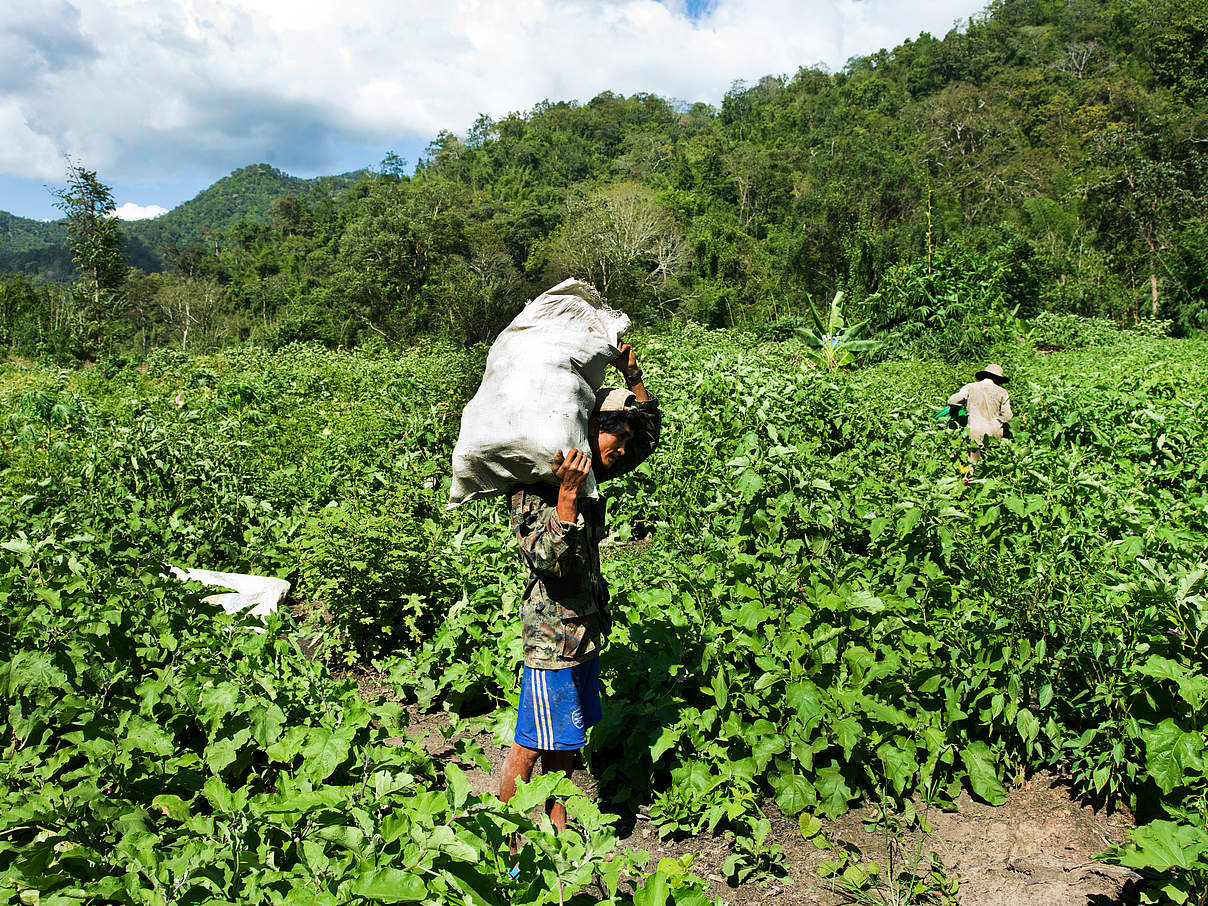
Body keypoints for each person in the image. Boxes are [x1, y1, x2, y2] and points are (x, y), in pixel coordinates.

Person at [498, 342, 661, 833]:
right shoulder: (539, 482)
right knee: (529, 745)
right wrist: (567, 496)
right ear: (593, 429)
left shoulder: (595, 471)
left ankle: (558, 834)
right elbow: (546, 558)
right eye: (620, 443)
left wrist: (632, 377)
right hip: (553, 641)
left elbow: (648, 437)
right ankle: (503, 848)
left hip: (583, 633)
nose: (626, 455)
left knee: (564, 744)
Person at [948, 363, 1013, 469]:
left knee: (974, 466)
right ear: (998, 379)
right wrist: (997, 421)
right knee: (991, 467)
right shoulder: (1002, 392)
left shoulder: (970, 387)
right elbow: (1007, 416)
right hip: (994, 435)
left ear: (985, 376)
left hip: (974, 432)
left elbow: (952, 401)